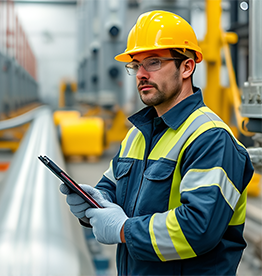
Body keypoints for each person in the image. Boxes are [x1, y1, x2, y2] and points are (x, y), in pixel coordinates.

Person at [60, 10, 254, 276]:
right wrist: (93, 204)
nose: (141, 74)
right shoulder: (137, 135)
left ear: (186, 67)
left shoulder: (211, 138)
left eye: (153, 62)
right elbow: (110, 188)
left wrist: (123, 230)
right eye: (135, 65)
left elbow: (199, 228)